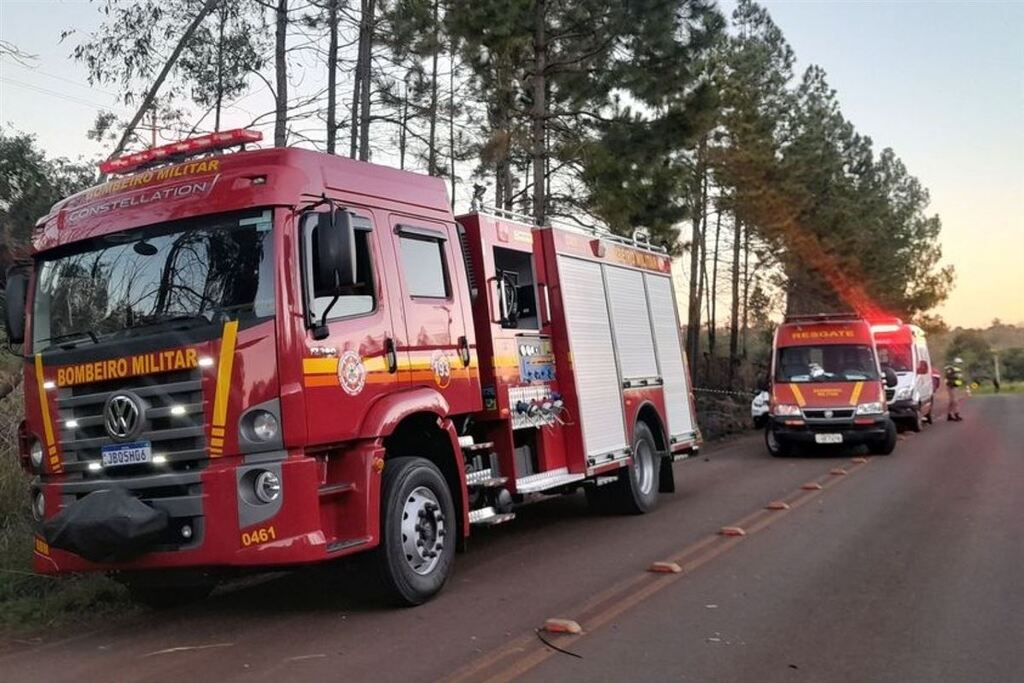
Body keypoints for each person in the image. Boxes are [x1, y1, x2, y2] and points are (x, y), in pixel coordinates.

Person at [944, 357, 964, 421]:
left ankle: (949, 415)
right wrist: (956, 377)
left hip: (955, 386)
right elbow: (948, 376)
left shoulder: (958, 370)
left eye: (960, 363)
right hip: (951, 386)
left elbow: (959, 378)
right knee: (955, 401)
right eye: (959, 363)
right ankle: (956, 414)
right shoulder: (951, 369)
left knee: (951, 401)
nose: (960, 365)